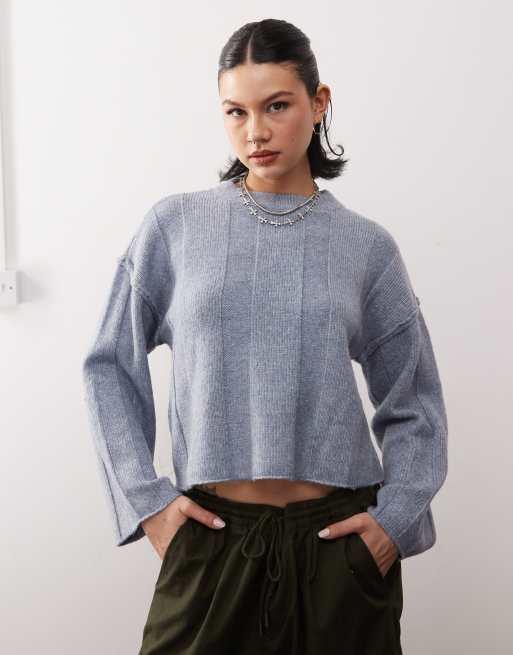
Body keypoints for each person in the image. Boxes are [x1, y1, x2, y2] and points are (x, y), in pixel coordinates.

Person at [82, 18, 448, 655]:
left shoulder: (366, 247)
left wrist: (393, 523)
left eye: (276, 105)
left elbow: (415, 401)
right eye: (236, 111)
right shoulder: (175, 227)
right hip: (211, 540)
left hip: (338, 550)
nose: (255, 131)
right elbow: (109, 366)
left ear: (319, 101)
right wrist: (148, 503)